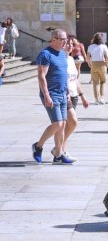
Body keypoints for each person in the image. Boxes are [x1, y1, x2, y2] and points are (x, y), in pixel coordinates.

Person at [31, 29, 74, 164]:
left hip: (62, 93)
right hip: (51, 94)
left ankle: (58, 155)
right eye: (62, 40)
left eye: (66, 40)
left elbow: (63, 75)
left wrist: (67, 92)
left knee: (62, 125)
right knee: (57, 124)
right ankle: (38, 146)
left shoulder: (62, 54)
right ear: (53, 39)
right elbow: (41, 76)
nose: (65, 42)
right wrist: (47, 96)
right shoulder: (45, 54)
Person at [52, 37, 89, 162]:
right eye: (67, 43)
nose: (70, 46)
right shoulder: (60, 59)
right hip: (64, 95)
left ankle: (59, 151)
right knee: (71, 122)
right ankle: (59, 150)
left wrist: (82, 96)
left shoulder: (71, 60)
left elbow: (75, 79)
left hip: (73, 96)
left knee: (66, 125)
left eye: (72, 44)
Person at [87, 33, 108, 104]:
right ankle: (102, 98)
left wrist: (89, 64)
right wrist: (106, 65)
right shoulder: (104, 46)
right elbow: (107, 57)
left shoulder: (90, 47)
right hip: (102, 64)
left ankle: (96, 99)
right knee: (103, 81)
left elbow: (88, 57)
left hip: (94, 64)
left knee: (95, 82)